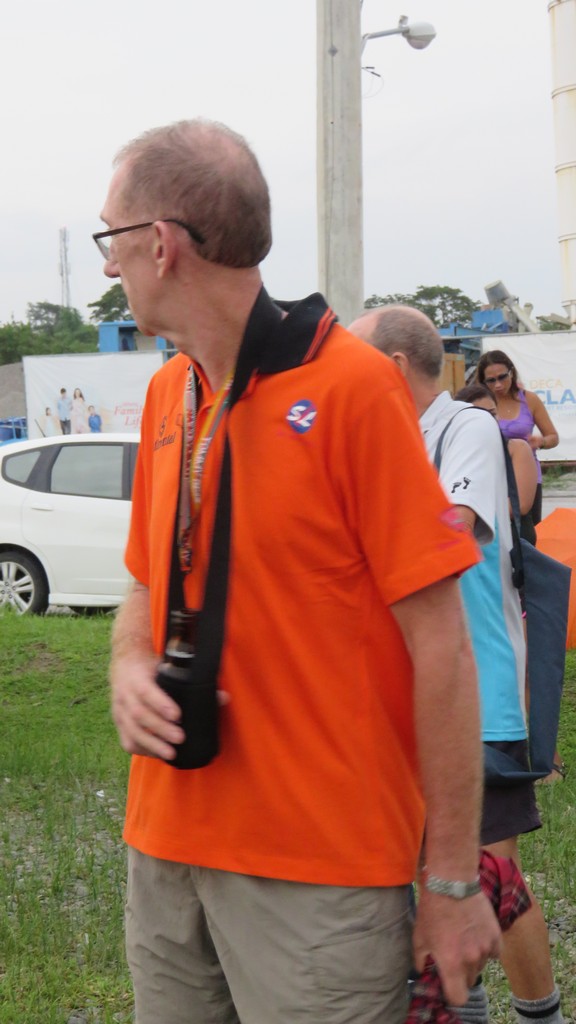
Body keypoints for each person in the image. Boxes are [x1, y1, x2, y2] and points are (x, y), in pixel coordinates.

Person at [99, 119, 500, 1024]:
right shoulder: (169, 393)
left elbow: (443, 644)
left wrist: (450, 879)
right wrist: (129, 662)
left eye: (110, 239)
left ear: (160, 245)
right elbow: (145, 584)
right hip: (166, 854)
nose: (109, 265)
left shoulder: (352, 388)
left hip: (318, 879)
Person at [349, 305, 565, 1024]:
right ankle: (466, 1009)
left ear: (392, 367)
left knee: (489, 875)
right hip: (413, 690)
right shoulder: (389, 436)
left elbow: (458, 527)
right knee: (435, 869)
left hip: (479, 688)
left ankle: (540, 1014)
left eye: (354, 360)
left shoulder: (463, 426)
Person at [475, 349, 559, 529]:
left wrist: (541, 442)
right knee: (494, 529)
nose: (498, 385)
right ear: (482, 382)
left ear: (511, 373)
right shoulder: (480, 403)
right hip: (492, 476)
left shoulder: (529, 399)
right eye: (491, 380)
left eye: (502, 377)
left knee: (529, 532)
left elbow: (553, 437)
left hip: (527, 477)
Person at [454, 383, 538, 544]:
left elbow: (520, 505)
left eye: (492, 413)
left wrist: (469, 513)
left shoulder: (516, 448)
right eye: (479, 416)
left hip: (510, 539)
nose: (488, 420)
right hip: (472, 537)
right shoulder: (456, 453)